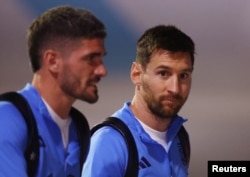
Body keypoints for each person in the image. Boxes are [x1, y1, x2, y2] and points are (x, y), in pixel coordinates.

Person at [0, 5, 107, 177]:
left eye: (101, 59)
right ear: (53, 61)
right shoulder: (6, 119)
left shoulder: (78, 128)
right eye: (91, 59)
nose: (102, 70)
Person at [81, 25, 195, 177]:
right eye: (163, 73)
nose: (175, 88)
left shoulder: (179, 136)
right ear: (136, 74)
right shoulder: (109, 142)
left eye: (183, 76)